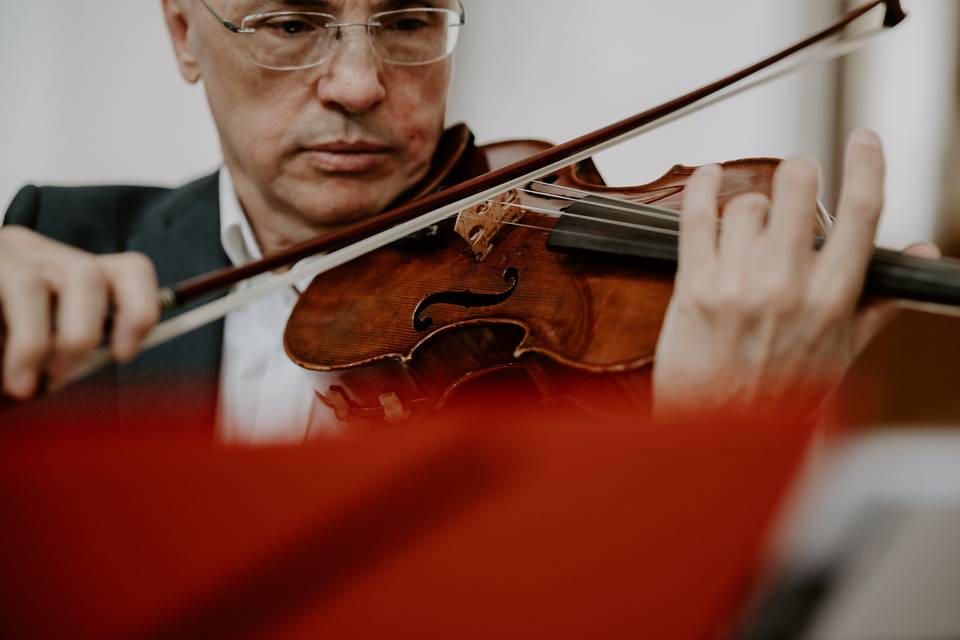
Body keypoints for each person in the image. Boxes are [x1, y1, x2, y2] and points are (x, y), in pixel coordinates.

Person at [0, 0, 934, 439]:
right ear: (182, 33)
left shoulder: (560, 365)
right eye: (291, 23)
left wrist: (711, 443)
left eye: (407, 22)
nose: (361, 85)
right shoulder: (58, 250)